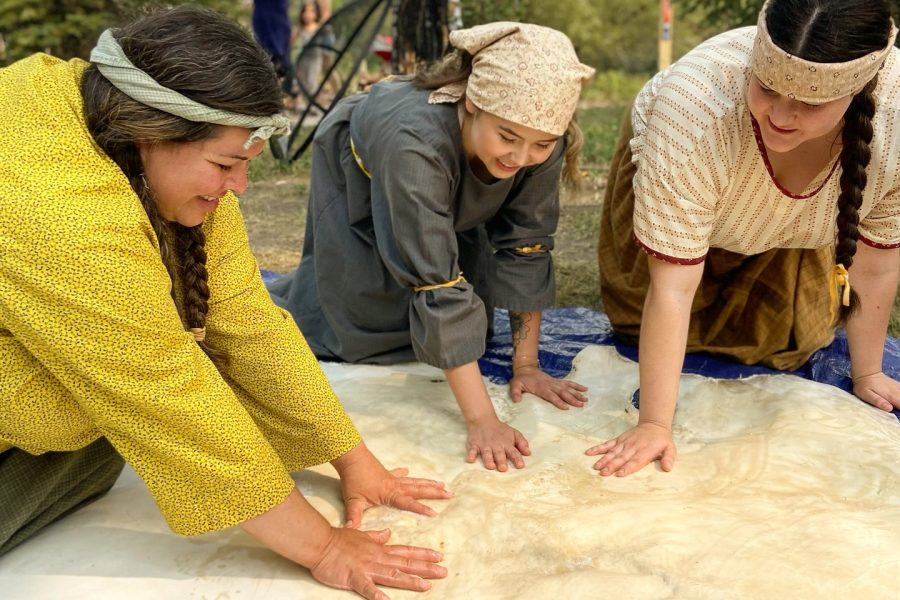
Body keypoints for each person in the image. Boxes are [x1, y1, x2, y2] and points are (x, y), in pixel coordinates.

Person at [0, 7, 451, 599]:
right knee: (143, 404)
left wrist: (354, 461)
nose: (237, 186)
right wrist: (323, 546)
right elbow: (165, 393)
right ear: (150, 132)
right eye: (224, 164)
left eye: (245, 163)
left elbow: (247, 320)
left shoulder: (105, 107)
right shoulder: (60, 212)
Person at [590, 0, 900, 478]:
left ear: (856, 90)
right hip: (685, 173)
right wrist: (654, 423)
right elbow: (671, 288)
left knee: (789, 340)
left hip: (789, 219)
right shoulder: (692, 107)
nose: (780, 115)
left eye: (810, 103)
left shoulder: (894, 123)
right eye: (767, 87)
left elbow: (876, 264)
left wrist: (868, 373)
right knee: (638, 320)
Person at [268, 22, 595, 472]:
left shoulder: (536, 134)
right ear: (473, 102)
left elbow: (527, 244)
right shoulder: (413, 145)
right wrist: (482, 419)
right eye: (508, 138)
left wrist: (527, 365)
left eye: (541, 145)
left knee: (468, 328)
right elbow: (435, 281)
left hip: (450, 160)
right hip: (371, 164)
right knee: (367, 316)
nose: (520, 159)